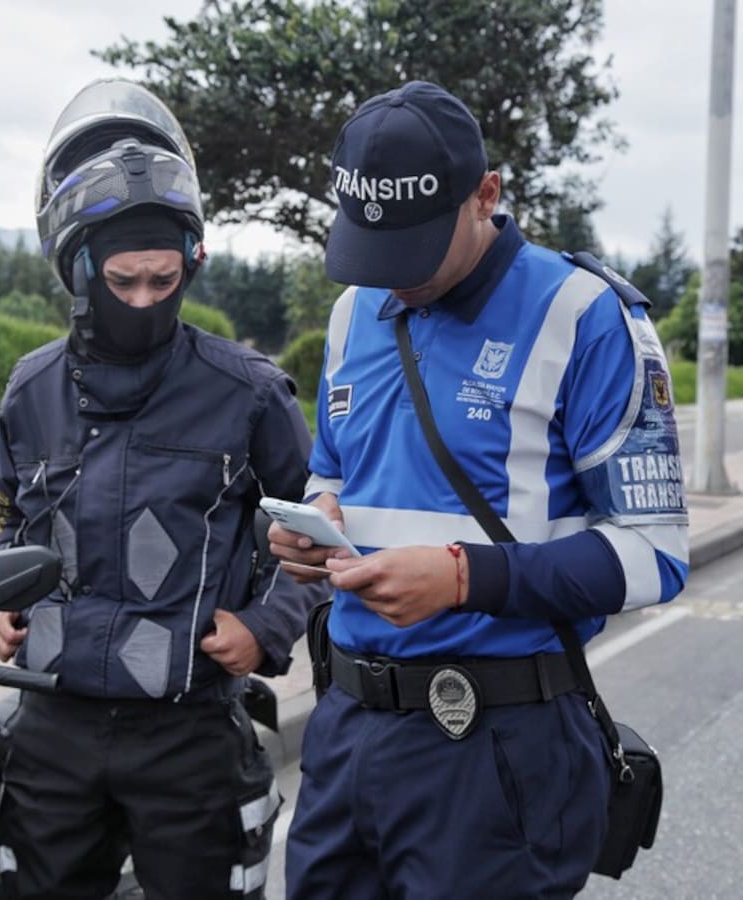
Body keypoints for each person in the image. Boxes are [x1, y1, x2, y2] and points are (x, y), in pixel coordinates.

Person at [272, 80, 690, 899]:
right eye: (372, 251)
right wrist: (312, 520)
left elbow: (656, 555)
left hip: (495, 749)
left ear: (486, 196)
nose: (391, 283)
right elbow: (335, 469)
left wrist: (466, 578)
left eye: (413, 254)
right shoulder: (354, 314)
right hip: (346, 732)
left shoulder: (585, 315)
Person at [0, 78, 322, 900]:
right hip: (51, 725)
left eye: (163, 281)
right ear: (79, 268)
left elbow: (318, 534)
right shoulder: (31, 391)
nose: (143, 300)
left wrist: (266, 628)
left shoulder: (248, 392)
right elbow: (3, 512)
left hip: (189, 732)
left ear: (189, 266)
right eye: (123, 281)